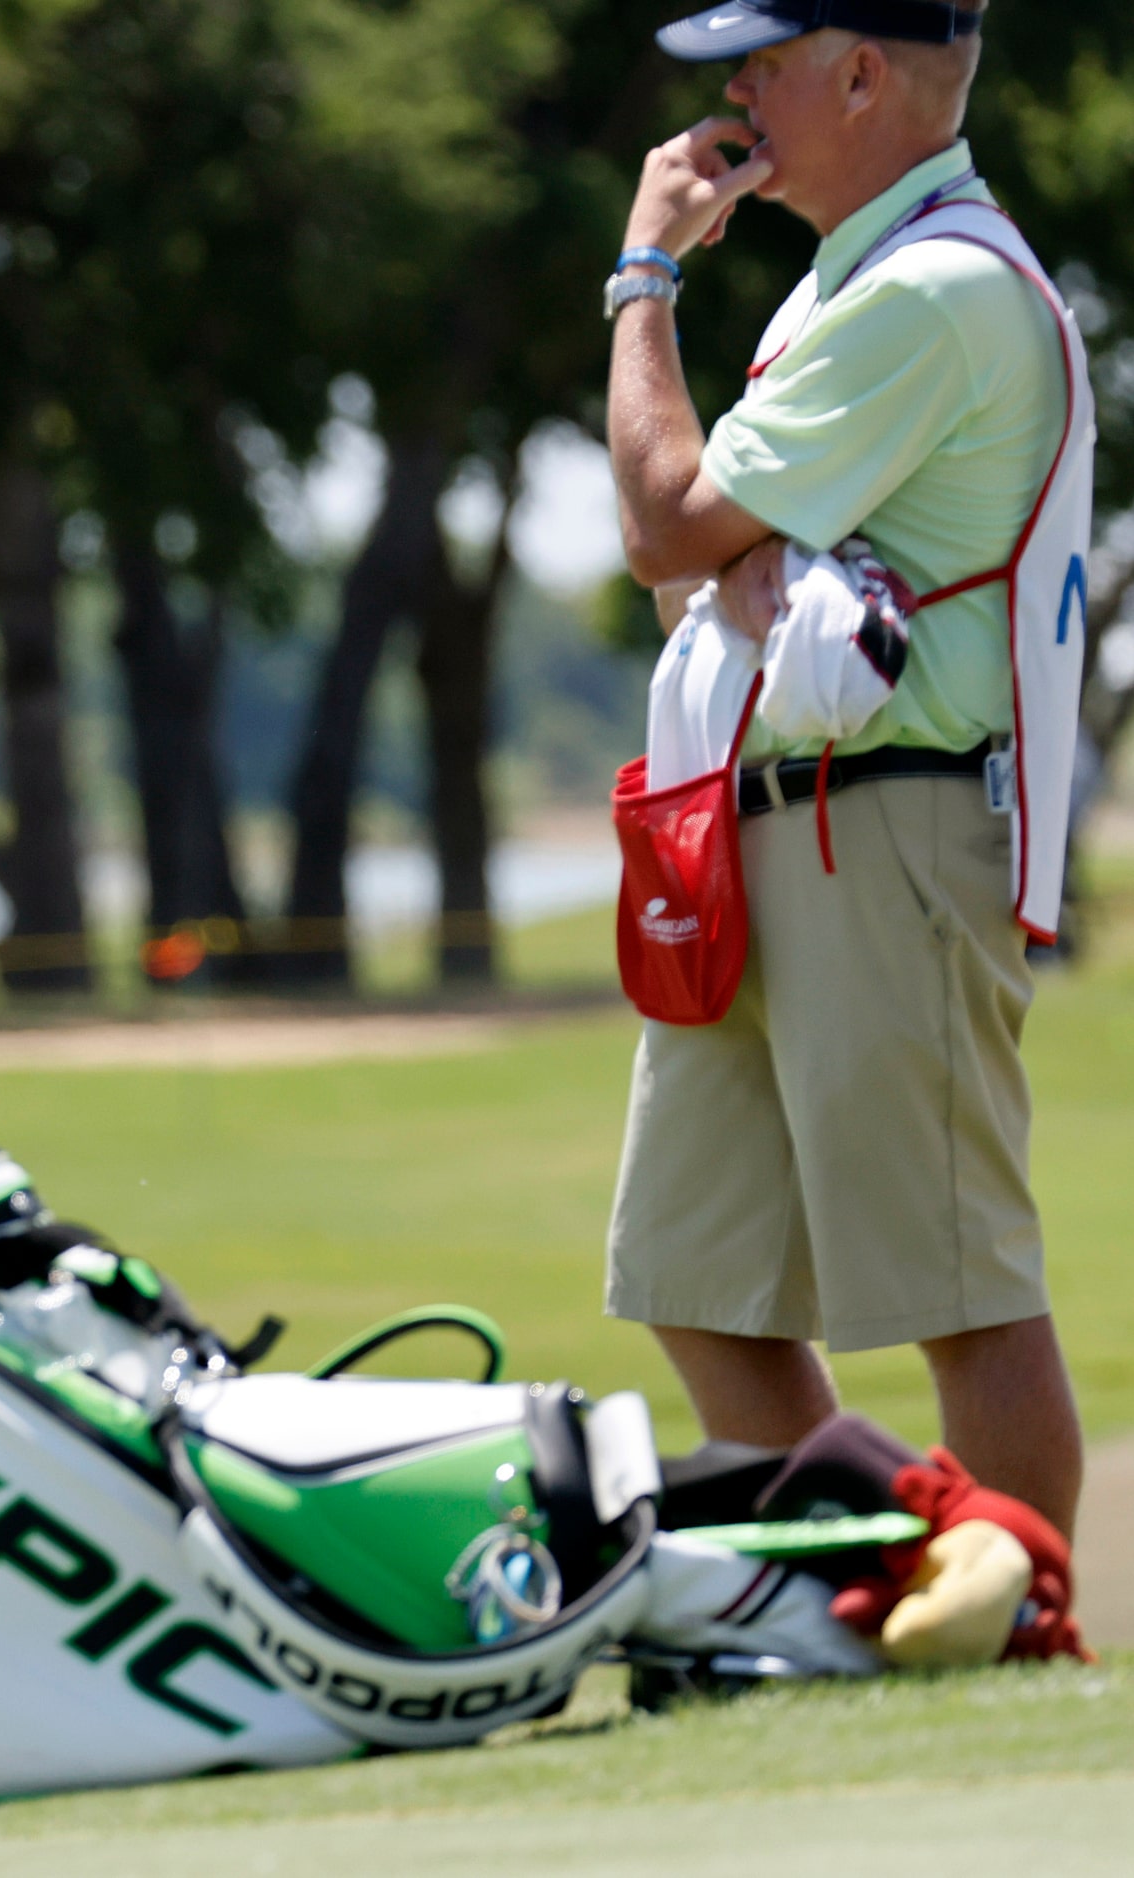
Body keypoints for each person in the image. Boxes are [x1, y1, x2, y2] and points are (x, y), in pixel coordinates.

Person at [601, 1, 1090, 1540]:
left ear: (865, 72)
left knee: (957, 1288)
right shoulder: (861, 279)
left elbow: (670, 522)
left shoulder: (933, 289)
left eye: (767, 55)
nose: (734, 87)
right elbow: (695, 560)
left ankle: (1023, 1629)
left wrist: (645, 277)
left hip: (890, 820)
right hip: (770, 817)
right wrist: (724, 550)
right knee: (701, 1281)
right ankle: (876, 1574)